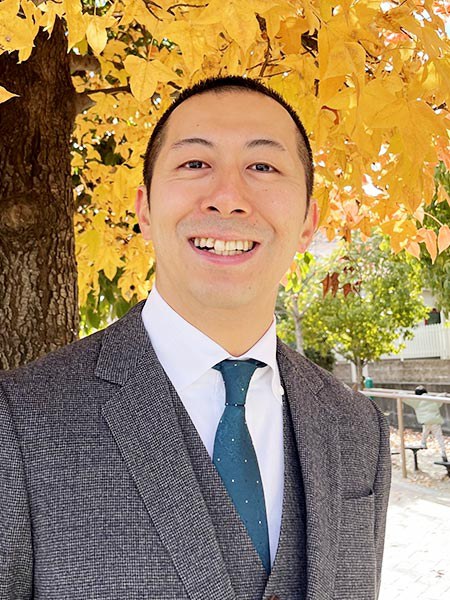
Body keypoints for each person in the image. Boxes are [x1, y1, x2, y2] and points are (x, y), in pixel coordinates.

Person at [0, 76, 391, 600]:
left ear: (307, 221)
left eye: (263, 166)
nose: (227, 198)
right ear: (144, 210)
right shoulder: (20, 420)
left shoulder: (358, 428)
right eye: (194, 163)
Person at [403, 385, 448, 462]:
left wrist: (400, 393)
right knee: (439, 436)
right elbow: (440, 397)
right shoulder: (432, 398)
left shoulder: (416, 401)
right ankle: (443, 451)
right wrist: (444, 394)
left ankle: (423, 443)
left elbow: (406, 398)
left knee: (425, 431)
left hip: (425, 421)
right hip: (435, 420)